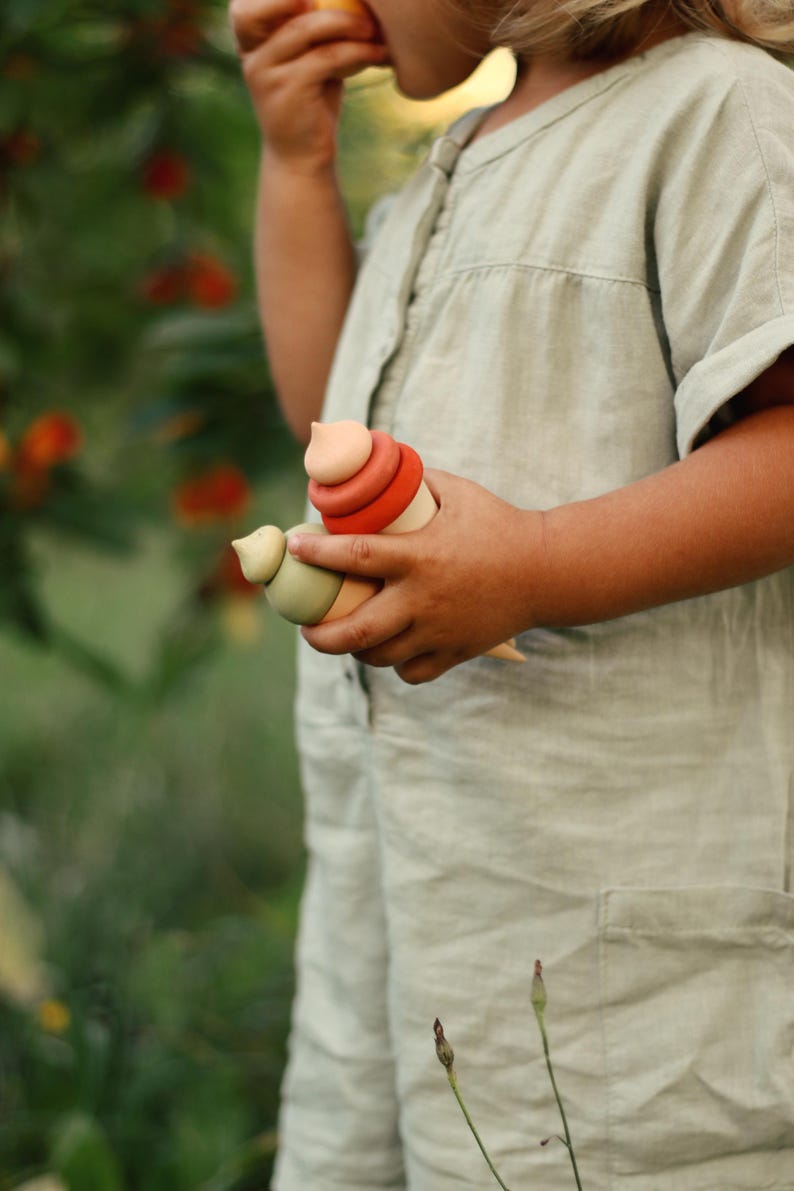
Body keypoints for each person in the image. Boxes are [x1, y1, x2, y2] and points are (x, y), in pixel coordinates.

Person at [230, 0, 794, 1186]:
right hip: (418, 922)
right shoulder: (461, 165)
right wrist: (294, 164)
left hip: (621, 984)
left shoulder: (714, 114)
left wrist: (534, 564)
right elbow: (323, 422)